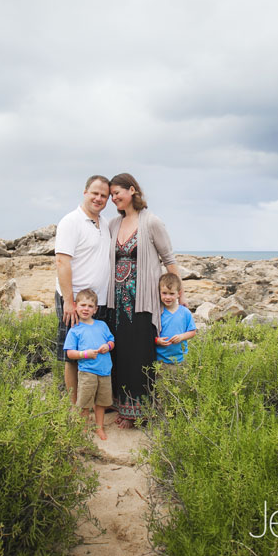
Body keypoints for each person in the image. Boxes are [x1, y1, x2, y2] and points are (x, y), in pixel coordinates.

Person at [105, 173, 184, 427]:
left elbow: (169, 260)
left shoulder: (152, 222)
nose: (113, 198)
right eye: (111, 195)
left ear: (132, 190)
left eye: (117, 193)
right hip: (117, 301)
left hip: (143, 300)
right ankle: (121, 404)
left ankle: (138, 412)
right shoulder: (113, 224)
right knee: (120, 352)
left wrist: (180, 297)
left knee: (139, 353)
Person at [55, 175, 112, 405]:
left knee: (97, 351)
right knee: (72, 355)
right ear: (85, 192)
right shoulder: (71, 221)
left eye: (104, 195)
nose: (98, 198)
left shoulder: (105, 224)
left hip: (99, 301)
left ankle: (94, 405)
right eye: (95, 193)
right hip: (75, 302)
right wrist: (69, 302)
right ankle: (74, 407)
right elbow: (62, 261)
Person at [63, 289, 115, 440]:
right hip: (87, 372)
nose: (86, 309)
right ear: (76, 306)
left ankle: (99, 427)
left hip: (105, 371)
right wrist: (85, 354)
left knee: (101, 402)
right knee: (84, 402)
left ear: (95, 309)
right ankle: (84, 428)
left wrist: (108, 346)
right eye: (83, 305)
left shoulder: (102, 325)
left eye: (90, 306)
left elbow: (111, 341)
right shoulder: (75, 329)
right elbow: (70, 353)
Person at [155, 272, 197, 367]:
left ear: (179, 293)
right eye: (164, 293)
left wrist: (181, 337)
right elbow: (151, 333)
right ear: (159, 293)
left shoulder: (185, 312)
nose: (168, 297)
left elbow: (192, 332)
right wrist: (157, 340)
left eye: (172, 293)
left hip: (181, 360)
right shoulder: (158, 312)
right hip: (160, 361)